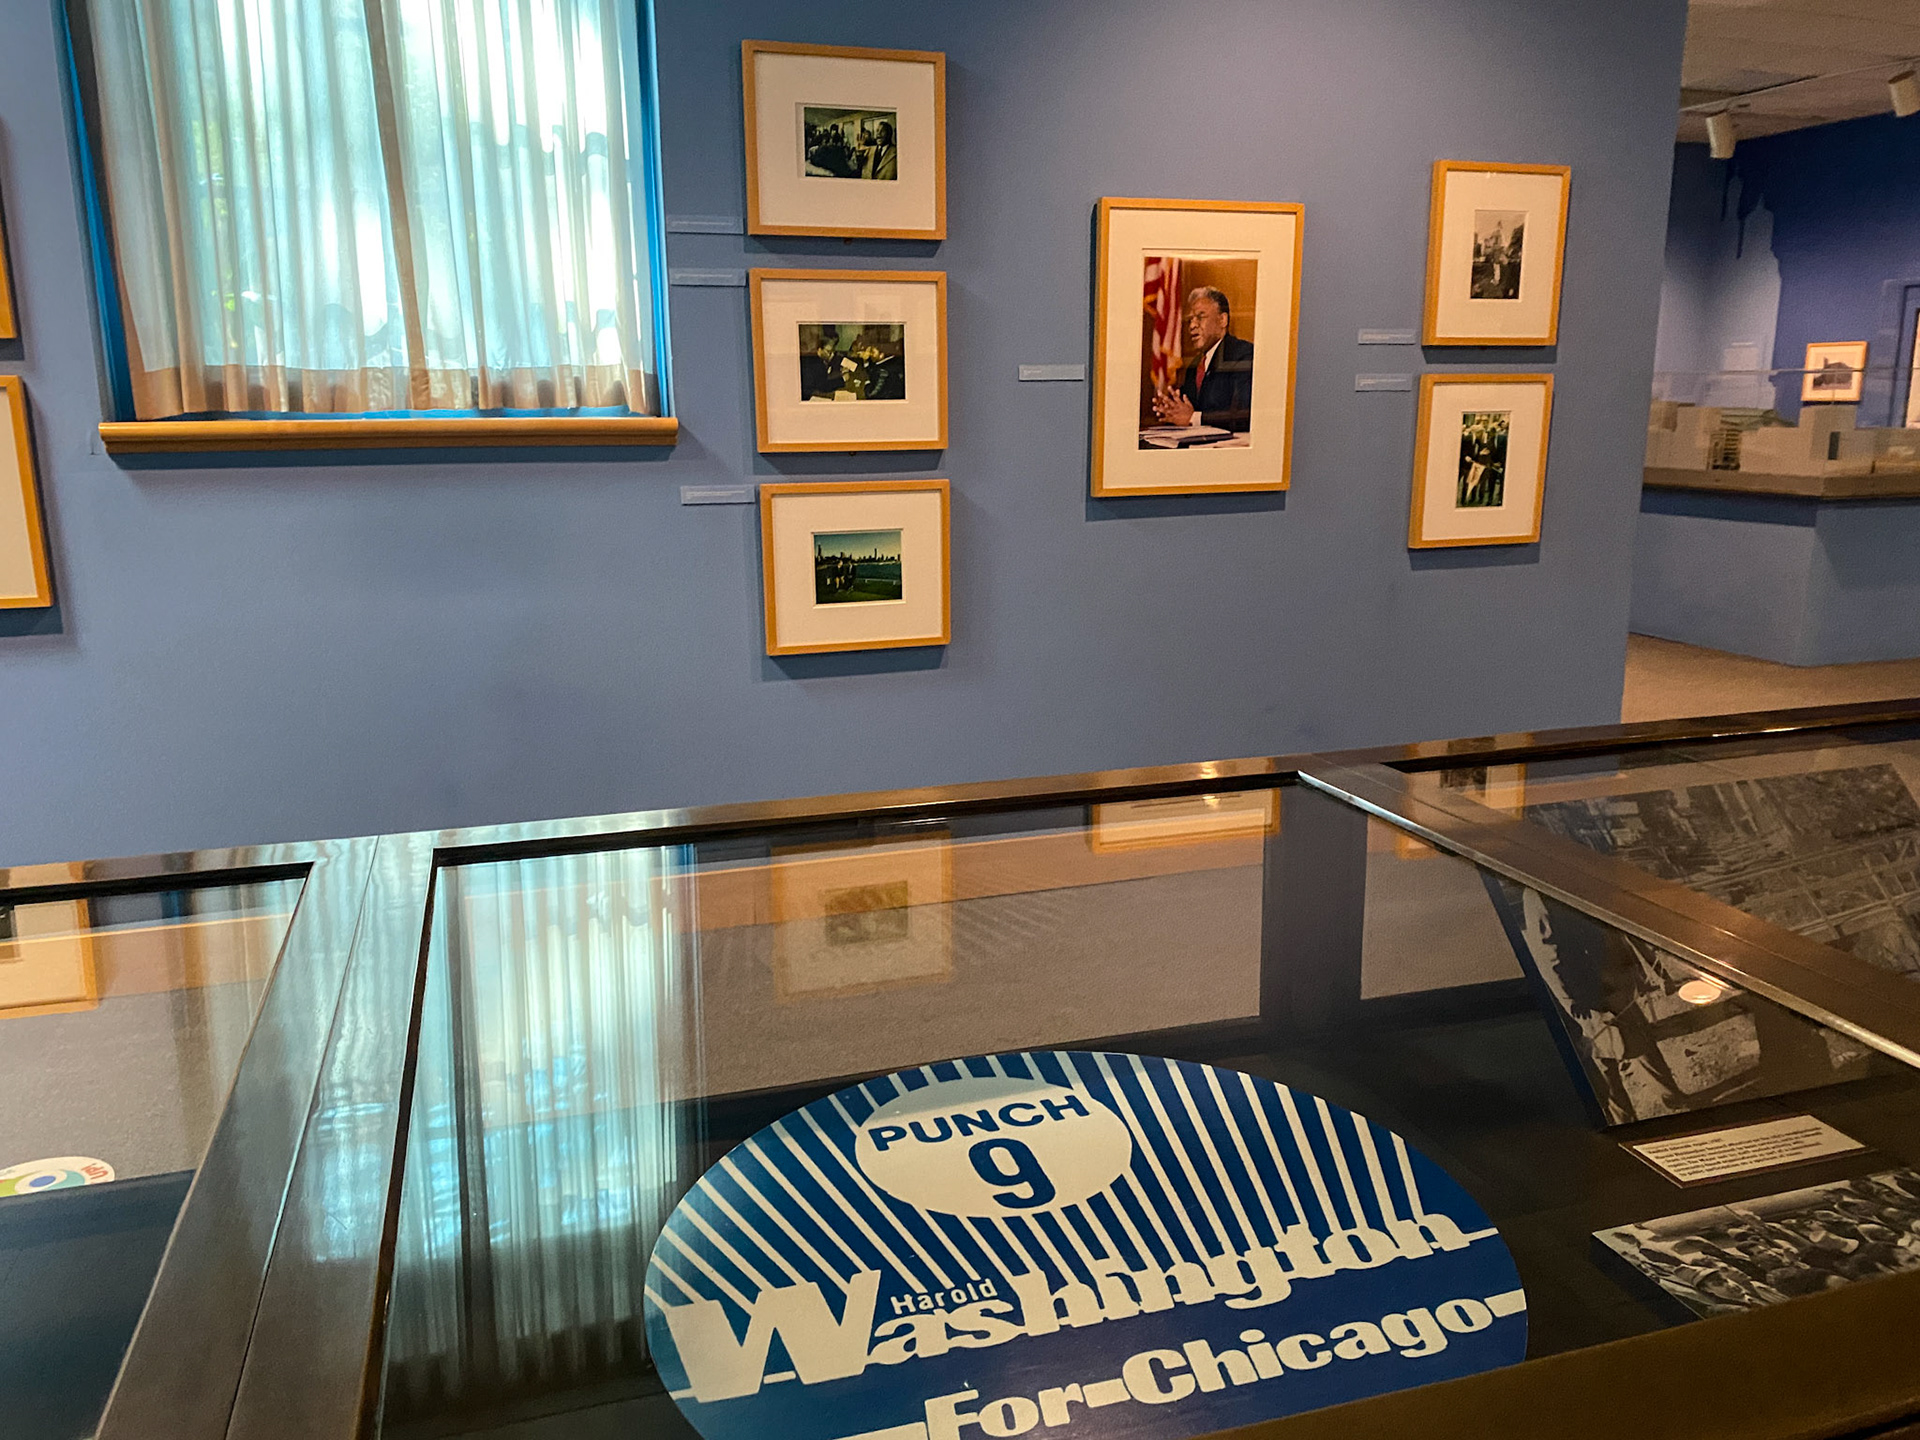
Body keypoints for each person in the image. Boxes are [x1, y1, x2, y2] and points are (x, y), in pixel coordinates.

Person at [1151, 286, 1254, 433]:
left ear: (1222, 320)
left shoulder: (1243, 354)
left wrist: (1194, 418)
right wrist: (1171, 410)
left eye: (1200, 317)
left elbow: (1244, 415)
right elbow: (1185, 412)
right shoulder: (1194, 366)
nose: (1192, 326)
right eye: (1190, 320)